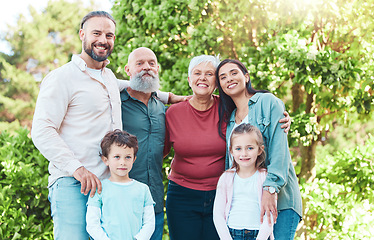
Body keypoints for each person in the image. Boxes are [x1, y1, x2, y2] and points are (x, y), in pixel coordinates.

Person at [30, 11, 176, 239]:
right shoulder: (62, 78)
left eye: (109, 35)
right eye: (96, 33)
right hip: (72, 183)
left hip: (107, 185)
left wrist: (172, 97)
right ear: (82, 34)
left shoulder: (108, 78)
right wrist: (77, 169)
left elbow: (138, 84)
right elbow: (41, 130)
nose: (102, 40)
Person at [164, 55, 290, 240]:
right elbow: (160, 149)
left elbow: (255, 114)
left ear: (216, 82)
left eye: (209, 74)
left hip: (222, 194)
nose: (202, 78)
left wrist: (284, 118)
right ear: (189, 79)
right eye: (197, 73)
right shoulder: (173, 112)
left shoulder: (227, 108)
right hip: (182, 195)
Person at [215, 59, 302, 240]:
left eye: (233, 73)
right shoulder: (230, 118)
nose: (229, 79)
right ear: (220, 86)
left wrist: (270, 189)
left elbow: (280, 150)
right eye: (222, 77)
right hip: (249, 208)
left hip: (281, 200)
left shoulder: (268, 102)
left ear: (246, 77)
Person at [120, 47, 166, 240]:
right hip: (122, 202)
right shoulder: (115, 104)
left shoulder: (162, 108)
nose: (146, 67)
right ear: (127, 70)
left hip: (154, 201)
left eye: (151, 63)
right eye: (139, 64)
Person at [86, 130, 155, 240]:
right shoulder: (99, 189)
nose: (122, 162)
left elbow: (149, 223)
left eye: (128, 157)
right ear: (106, 160)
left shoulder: (143, 190)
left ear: (134, 159)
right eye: (117, 157)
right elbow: (92, 225)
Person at [213, 123, 274, 240]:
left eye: (250, 148)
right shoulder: (226, 178)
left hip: (259, 234)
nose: (244, 153)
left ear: (260, 150)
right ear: (231, 151)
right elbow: (218, 214)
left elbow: (269, 215)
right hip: (232, 233)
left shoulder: (266, 178)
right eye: (238, 148)